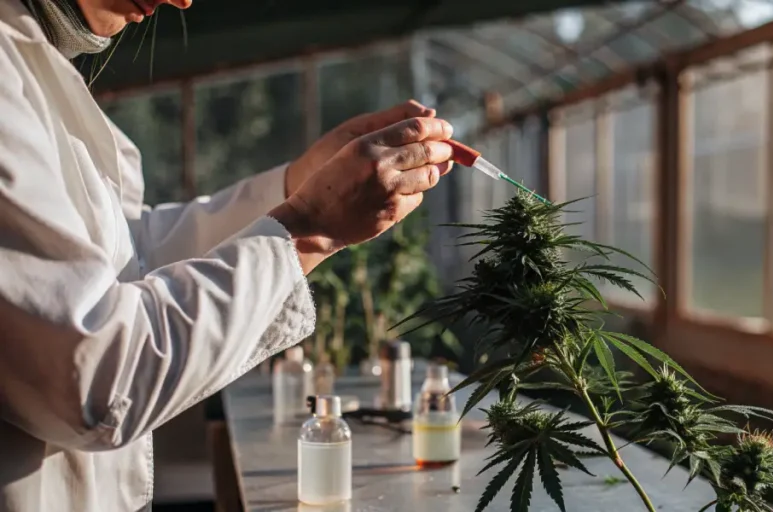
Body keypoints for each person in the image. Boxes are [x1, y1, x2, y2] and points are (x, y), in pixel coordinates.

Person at [0, 0, 457, 510]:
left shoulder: (29, 66)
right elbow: (91, 380)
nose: (184, 2)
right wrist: (308, 228)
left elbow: (133, 255)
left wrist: (297, 187)